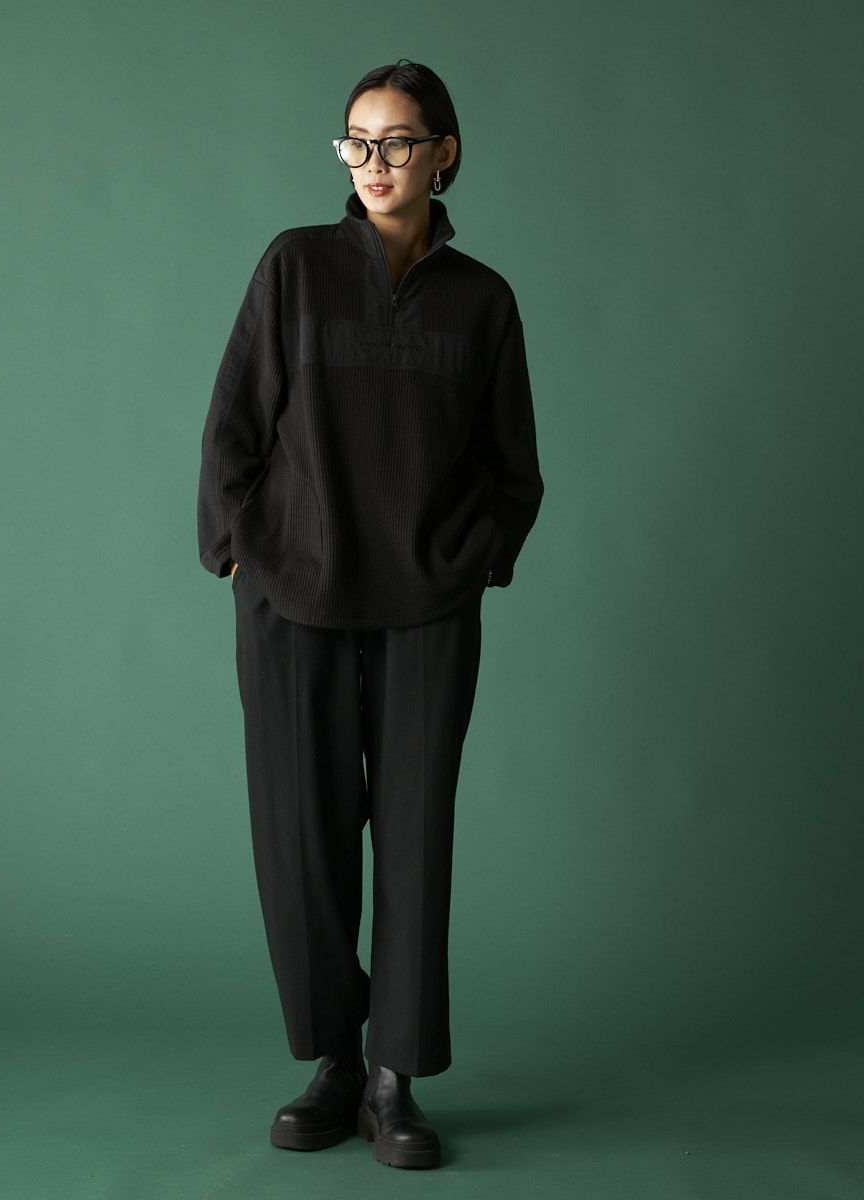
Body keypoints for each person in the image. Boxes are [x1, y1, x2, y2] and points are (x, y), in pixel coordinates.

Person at [196, 58, 544, 1170]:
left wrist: (474, 560)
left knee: (414, 839)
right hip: (293, 596)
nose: (374, 162)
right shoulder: (295, 267)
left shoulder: (482, 301)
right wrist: (237, 550)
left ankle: (395, 1078)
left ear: (445, 154)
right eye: (357, 140)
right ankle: (335, 1063)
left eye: (397, 141)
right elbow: (233, 425)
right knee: (298, 840)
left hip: (425, 611)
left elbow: (514, 468)